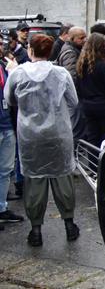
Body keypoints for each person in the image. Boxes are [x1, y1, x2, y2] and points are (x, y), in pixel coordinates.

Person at [3, 34, 80, 247]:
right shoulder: (61, 73)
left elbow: (9, 100)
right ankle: (69, 224)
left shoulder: (17, 74)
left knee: (34, 180)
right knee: (62, 177)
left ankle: (36, 229)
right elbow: (74, 102)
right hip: (58, 133)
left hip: (30, 136)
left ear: (30, 50)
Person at [76, 33, 105, 147]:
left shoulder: (81, 65)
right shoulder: (103, 66)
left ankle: (93, 164)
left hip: (88, 106)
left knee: (93, 138)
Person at [0, 42, 24, 227]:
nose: (1, 45)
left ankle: (1, 209)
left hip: (6, 123)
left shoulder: (3, 65)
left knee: (5, 170)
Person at [56, 27, 87, 142]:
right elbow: (71, 78)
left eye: (85, 37)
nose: (85, 40)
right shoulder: (70, 53)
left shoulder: (74, 49)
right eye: (81, 38)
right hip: (74, 97)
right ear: (72, 38)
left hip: (75, 96)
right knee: (75, 130)